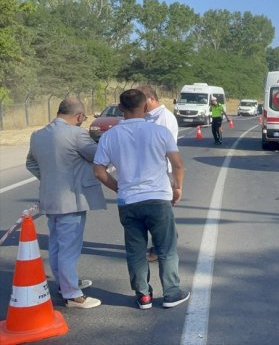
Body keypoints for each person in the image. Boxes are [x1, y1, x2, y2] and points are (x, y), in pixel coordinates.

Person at [93, 89, 190, 309]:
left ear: (120, 109)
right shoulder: (160, 132)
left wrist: (120, 188)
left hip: (129, 201)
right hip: (158, 198)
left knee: (136, 250)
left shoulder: (110, 136)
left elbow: (99, 171)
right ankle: (171, 293)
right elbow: (177, 164)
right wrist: (178, 188)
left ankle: (143, 295)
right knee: (166, 248)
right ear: (146, 107)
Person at [26, 97, 105, 309]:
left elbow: (30, 163)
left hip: (49, 197)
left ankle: (65, 284)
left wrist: (49, 177)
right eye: (84, 118)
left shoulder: (38, 135)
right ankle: (72, 294)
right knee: (69, 247)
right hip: (72, 198)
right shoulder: (77, 133)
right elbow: (98, 156)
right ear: (79, 116)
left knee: (56, 245)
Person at [138, 84, 179, 263]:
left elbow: (165, 148)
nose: (140, 105)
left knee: (160, 212)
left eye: (143, 101)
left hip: (162, 171)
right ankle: (169, 239)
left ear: (152, 99)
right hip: (150, 170)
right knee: (161, 212)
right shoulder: (148, 117)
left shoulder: (164, 118)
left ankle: (159, 247)